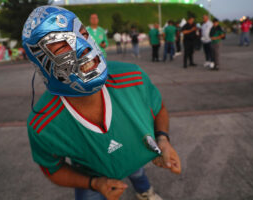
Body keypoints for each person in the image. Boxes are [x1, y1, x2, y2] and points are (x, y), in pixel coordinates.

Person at [22, 6, 181, 200]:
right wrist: (94, 183)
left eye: (83, 33)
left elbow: (158, 108)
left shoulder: (133, 77)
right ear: (41, 63)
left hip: (136, 156)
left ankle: (144, 192)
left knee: (138, 172)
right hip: (93, 176)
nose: (84, 46)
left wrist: (163, 139)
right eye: (62, 45)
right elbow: (52, 168)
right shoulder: (43, 124)